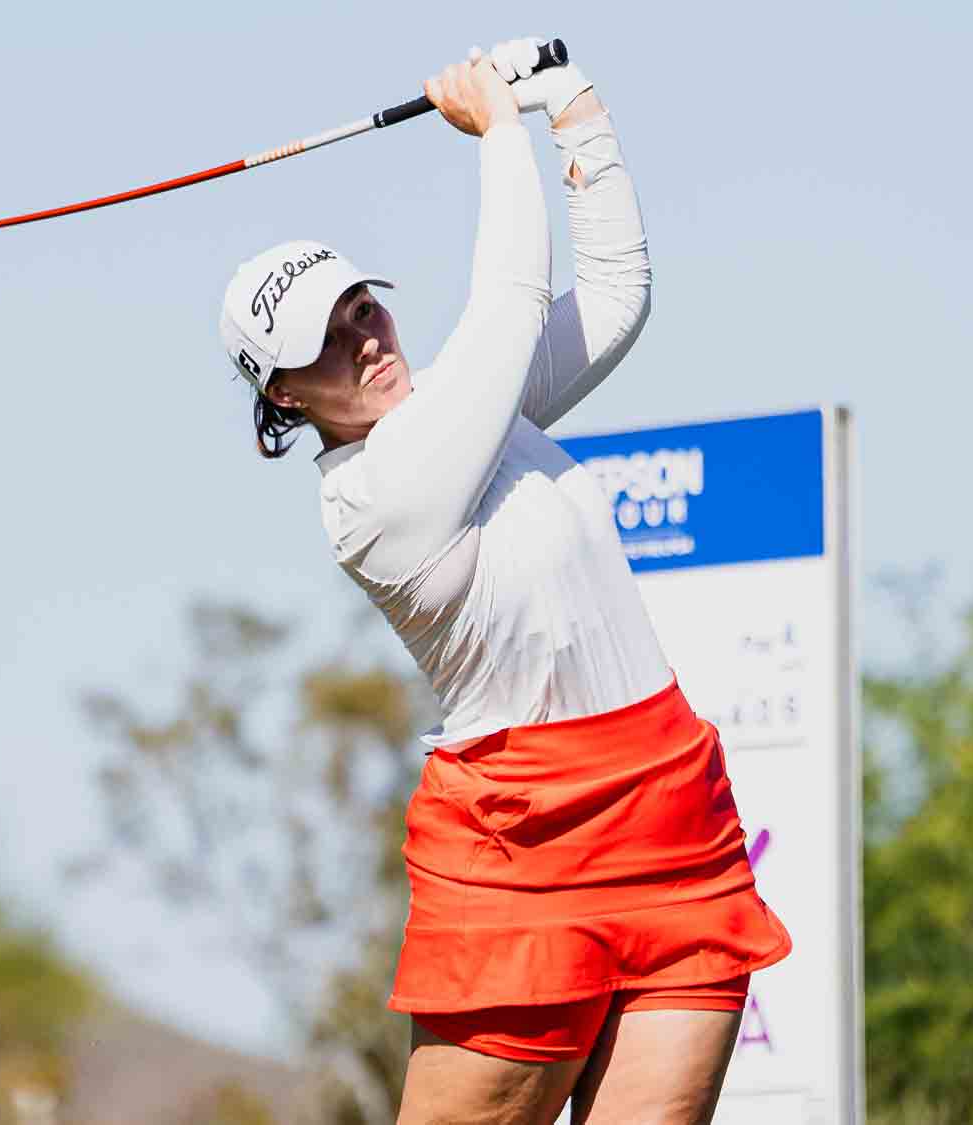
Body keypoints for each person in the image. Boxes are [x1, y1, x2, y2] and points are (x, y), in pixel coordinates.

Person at [216, 39, 792, 1125]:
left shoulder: (469, 409)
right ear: (284, 398)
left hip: (670, 811)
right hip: (525, 841)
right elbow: (511, 294)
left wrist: (571, 108)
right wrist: (495, 129)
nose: (365, 341)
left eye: (362, 310)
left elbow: (613, 296)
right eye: (326, 347)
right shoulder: (375, 497)